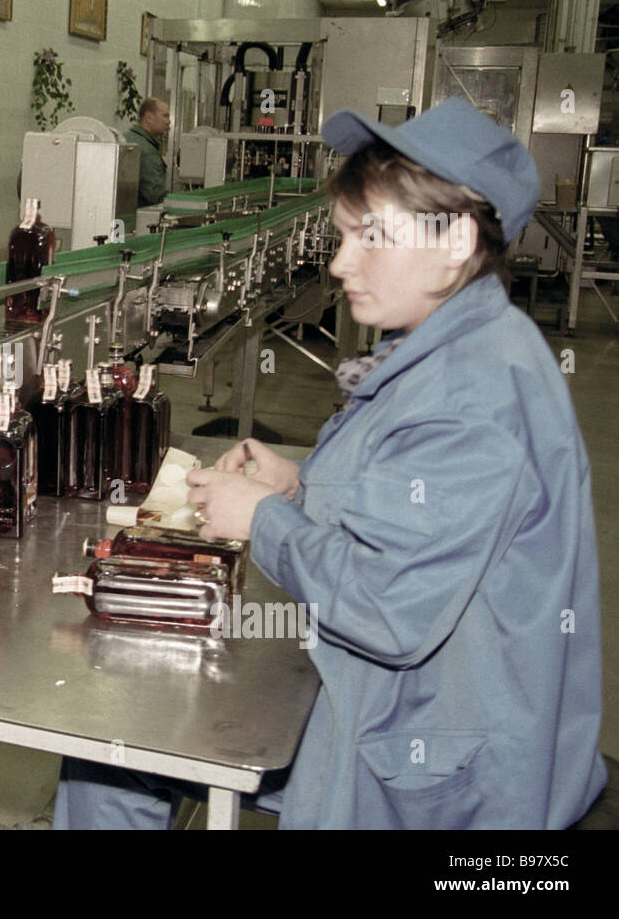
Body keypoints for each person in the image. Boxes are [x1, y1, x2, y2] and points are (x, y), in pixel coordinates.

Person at [54, 97, 607, 829]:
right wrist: (301, 484)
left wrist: (267, 521)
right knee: (112, 746)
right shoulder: (449, 345)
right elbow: (413, 502)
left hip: (444, 766)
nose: (344, 262)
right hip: (411, 706)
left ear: (456, 241)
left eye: (372, 237)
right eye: (344, 237)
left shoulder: (478, 393)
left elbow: (388, 609)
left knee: (122, 736)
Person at [124, 98, 170, 207]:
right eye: (165, 116)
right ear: (149, 117)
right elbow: (155, 194)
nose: (169, 121)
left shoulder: (127, 138)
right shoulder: (147, 150)